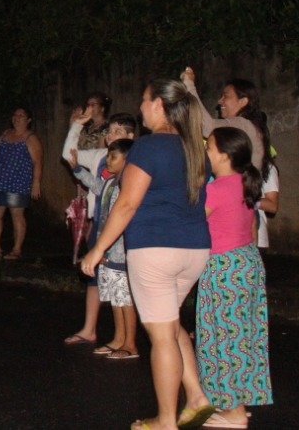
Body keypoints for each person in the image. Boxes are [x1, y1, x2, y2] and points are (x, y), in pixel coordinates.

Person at [80, 79, 212, 430]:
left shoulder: (148, 147)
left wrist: (98, 249)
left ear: (159, 105)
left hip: (155, 249)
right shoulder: (194, 148)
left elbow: (127, 204)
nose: (140, 108)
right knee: (170, 324)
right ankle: (196, 397)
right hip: (194, 248)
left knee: (161, 337)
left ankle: (166, 419)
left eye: (144, 100)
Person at [195, 127, 272, 428]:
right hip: (247, 261)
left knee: (222, 337)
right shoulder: (245, 182)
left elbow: (192, 222)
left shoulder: (217, 189)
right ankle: (236, 400)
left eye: (209, 147)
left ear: (224, 155)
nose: (206, 152)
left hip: (224, 266)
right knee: (244, 336)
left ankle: (234, 411)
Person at [62, 109, 138, 345]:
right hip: (104, 235)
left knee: (123, 294)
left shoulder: (132, 177)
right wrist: (77, 168)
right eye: (110, 131)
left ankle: (129, 343)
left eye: (118, 131)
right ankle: (116, 338)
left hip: (120, 244)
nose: (111, 136)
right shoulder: (109, 176)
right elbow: (96, 185)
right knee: (111, 290)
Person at [0, 106, 43, 260]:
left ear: (28, 120)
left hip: (18, 183)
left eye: (21, 115)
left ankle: (16, 249)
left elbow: (38, 162)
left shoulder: (30, 138)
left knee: (17, 215)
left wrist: (36, 183)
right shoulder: (5, 134)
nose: (17, 118)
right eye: (15, 115)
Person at [181, 67, 265, 172]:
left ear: (243, 102)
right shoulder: (246, 127)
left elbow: (209, 127)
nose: (220, 101)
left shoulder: (244, 125)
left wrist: (189, 85)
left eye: (226, 96)